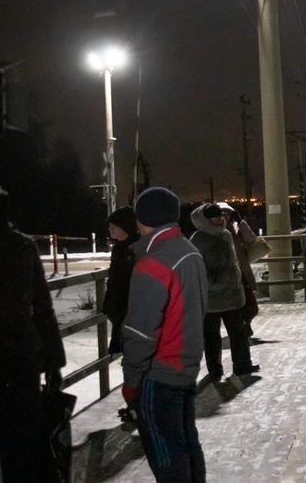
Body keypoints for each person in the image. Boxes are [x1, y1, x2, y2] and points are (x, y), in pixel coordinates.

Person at [121, 187, 208, 482]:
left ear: (142, 219)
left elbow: (139, 332)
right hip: (186, 368)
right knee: (187, 447)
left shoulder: (153, 262)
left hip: (158, 375)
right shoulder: (190, 252)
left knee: (167, 456)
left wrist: (131, 382)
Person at [0, 182, 66, 482]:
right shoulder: (22, 246)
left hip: (17, 363)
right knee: (23, 449)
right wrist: (53, 361)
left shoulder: (22, 246)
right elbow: (43, 309)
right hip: (21, 361)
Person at [190, 203, 256, 379]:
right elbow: (197, 268)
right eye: (215, 217)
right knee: (212, 338)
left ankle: (243, 366)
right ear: (205, 220)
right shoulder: (197, 240)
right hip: (211, 298)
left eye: (221, 216)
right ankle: (215, 370)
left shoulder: (226, 234)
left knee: (239, 333)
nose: (220, 219)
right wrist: (213, 282)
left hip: (232, 295)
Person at [217, 203, 260, 338]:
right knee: (235, 304)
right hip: (226, 273)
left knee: (251, 304)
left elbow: (251, 239)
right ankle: (241, 327)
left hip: (241, 270)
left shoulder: (236, 229)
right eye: (222, 214)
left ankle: (245, 324)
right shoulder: (215, 231)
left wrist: (241, 222)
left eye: (228, 214)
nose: (225, 217)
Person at [102, 206, 140, 354]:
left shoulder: (135, 248)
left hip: (130, 311)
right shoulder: (119, 247)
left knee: (133, 353)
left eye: (113, 226)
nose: (110, 229)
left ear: (125, 227)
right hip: (120, 310)